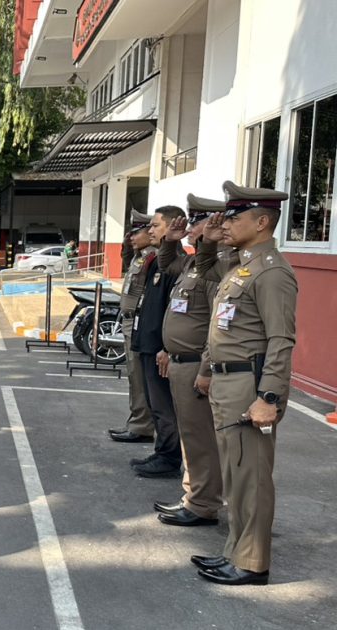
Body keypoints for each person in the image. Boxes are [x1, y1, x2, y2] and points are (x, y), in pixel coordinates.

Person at [192, 181, 296, 586]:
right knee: (235, 475)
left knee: (251, 477)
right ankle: (235, 551)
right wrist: (210, 240)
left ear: (262, 222)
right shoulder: (242, 266)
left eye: (235, 218)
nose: (227, 224)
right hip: (227, 382)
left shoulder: (272, 272)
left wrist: (269, 396)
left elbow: (281, 339)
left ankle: (252, 563)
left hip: (249, 386)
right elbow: (205, 270)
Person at [152, 194, 225, 528]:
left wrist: (206, 369)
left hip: (196, 363)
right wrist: (171, 240)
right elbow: (166, 265)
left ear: (214, 225)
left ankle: (203, 503)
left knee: (201, 439)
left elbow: (214, 325)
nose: (190, 227)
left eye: (196, 222)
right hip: (179, 361)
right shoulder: (193, 264)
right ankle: (193, 497)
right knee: (190, 438)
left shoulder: (216, 268)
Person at [130, 205, 187, 478]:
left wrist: (166, 347)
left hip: (159, 347)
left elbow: (174, 310)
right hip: (147, 342)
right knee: (155, 405)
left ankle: (168, 458)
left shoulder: (177, 263)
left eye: (155, 225)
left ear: (172, 227)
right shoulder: (156, 260)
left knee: (164, 406)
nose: (149, 230)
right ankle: (161, 450)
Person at [108, 212, 157, 443]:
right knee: (133, 376)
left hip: (139, 322)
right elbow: (126, 257)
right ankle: (137, 421)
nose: (132, 238)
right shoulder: (139, 257)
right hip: (130, 321)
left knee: (139, 377)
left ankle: (142, 426)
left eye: (136, 233)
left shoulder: (153, 257)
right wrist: (127, 241)